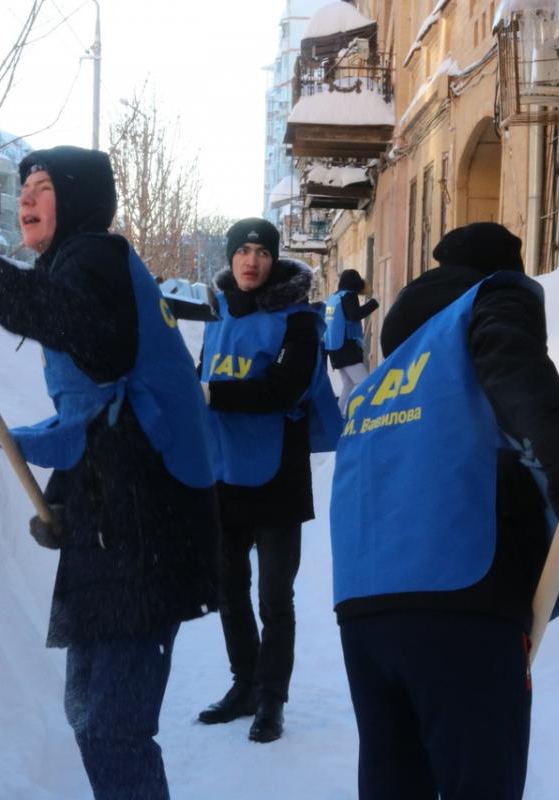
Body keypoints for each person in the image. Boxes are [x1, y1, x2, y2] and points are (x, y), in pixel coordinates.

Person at [0, 145, 219, 800]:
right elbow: (99, 418)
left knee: (113, 724)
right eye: (22, 187)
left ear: (79, 196)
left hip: (146, 535)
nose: (25, 198)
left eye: (42, 185)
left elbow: (65, 321)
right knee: (90, 715)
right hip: (122, 524)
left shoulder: (95, 259)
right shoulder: (80, 268)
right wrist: (73, 509)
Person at [329, 222, 559, 799]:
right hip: (462, 590)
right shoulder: (491, 299)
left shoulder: (392, 372)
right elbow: (513, 365)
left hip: (364, 608)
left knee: (393, 782)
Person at [195, 217, 340, 743]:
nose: (251, 260)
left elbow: (284, 389)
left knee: (275, 599)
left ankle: (272, 699)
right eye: (242, 251)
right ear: (231, 258)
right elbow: (196, 385)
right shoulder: (217, 316)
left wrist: (214, 395)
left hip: (278, 474)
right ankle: (245, 684)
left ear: (274, 259)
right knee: (230, 591)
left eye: (261, 251)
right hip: (223, 473)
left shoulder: (300, 321)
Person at [323, 268, 378, 414]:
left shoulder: (333, 298)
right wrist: (374, 303)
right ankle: (369, 414)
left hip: (334, 348)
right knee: (366, 383)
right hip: (346, 348)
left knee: (348, 384)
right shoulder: (349, 295)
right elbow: (354, 315)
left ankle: (339, 414)